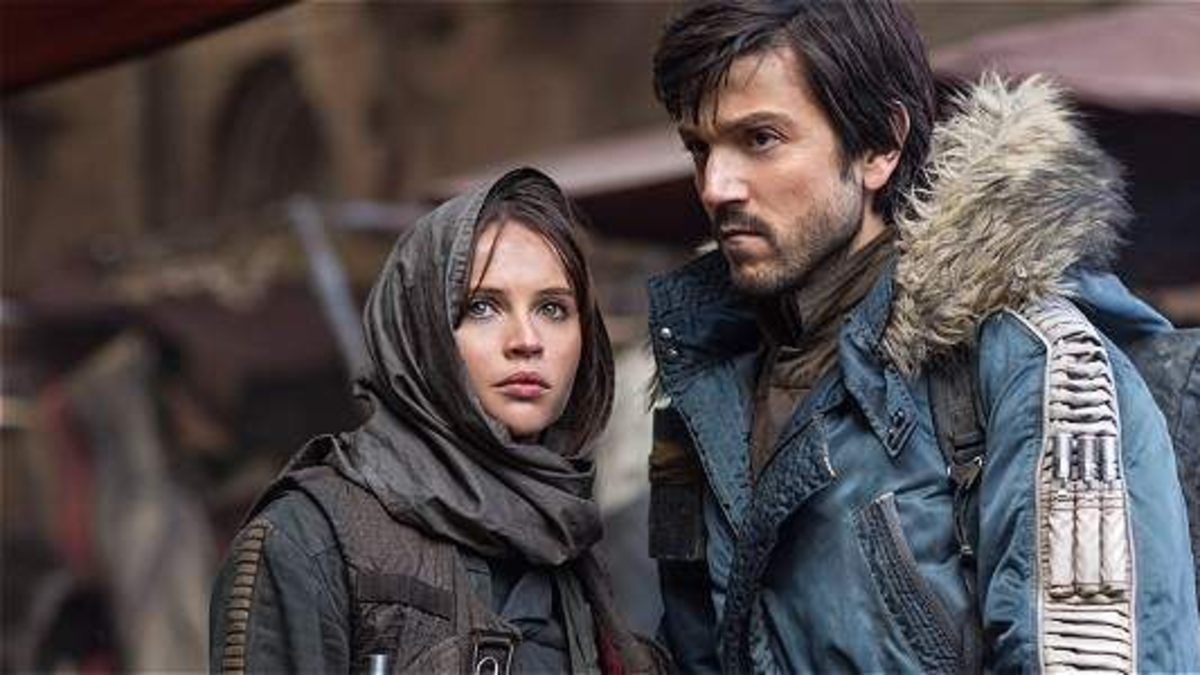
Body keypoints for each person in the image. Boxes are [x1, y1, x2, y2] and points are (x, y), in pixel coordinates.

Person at [644, 1, 1199, 673]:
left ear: (880, 145)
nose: (715, 186)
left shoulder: (1032, 366)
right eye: (699, 148)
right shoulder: (702, 386)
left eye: (760, 139)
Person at [209, 168, 667, 674]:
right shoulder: (310, 539)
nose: (526, 340)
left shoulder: (571, 547)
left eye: (553, 309)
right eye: (483, 307)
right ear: (420, 331)